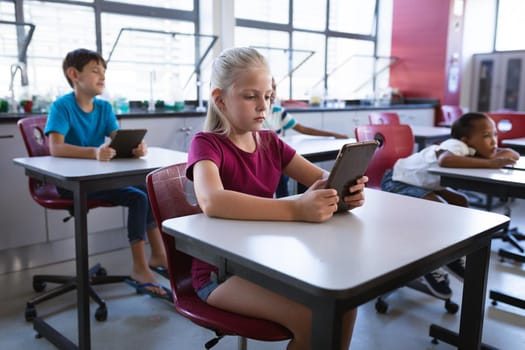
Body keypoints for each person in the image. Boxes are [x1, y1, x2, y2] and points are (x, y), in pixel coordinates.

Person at [186, 47, 368, 350]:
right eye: (250, 96)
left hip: (268, 262)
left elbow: (320, 179)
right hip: (220, 273)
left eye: (268, 96)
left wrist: (345, 188)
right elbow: (212, 201)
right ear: (220, 99)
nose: (263, 106)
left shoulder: (271, 142)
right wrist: (296, 208)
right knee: (314, 318)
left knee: (344, 304)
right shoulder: (206, 144)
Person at [44, 48, 169, 298]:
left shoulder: (104, 108)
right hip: (72, 184)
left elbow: (115, 141)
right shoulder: (62, 107)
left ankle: (158, 255)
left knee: (148, 188)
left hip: (98, 179)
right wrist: (93, 153)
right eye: (95, 71)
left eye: (104, 72)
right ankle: (139, 267)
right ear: (74, 74)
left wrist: (134, 148)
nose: (102, 77)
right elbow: (55, 147)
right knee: (138, 197)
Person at [381, 112, 519, 299]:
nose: (494, 141)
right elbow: (444, 160)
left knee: (460, 201)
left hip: (420, 183)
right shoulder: (456, 145)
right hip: (398, 181)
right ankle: (429, 264)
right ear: (466, 139)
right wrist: (491, 162)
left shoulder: (472, 150)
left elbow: (513, 154)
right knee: (435, 206)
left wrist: (496, 155)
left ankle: (452, 255)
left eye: (495, 134)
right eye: (487, 136)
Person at [265, 77, 349, 197]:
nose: (272, 91)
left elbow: (303, 129)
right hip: (269, 161)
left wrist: (334, 135)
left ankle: (290, 197)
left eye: (274, 88)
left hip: (278, 158)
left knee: (292, 172)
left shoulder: (278, 112)